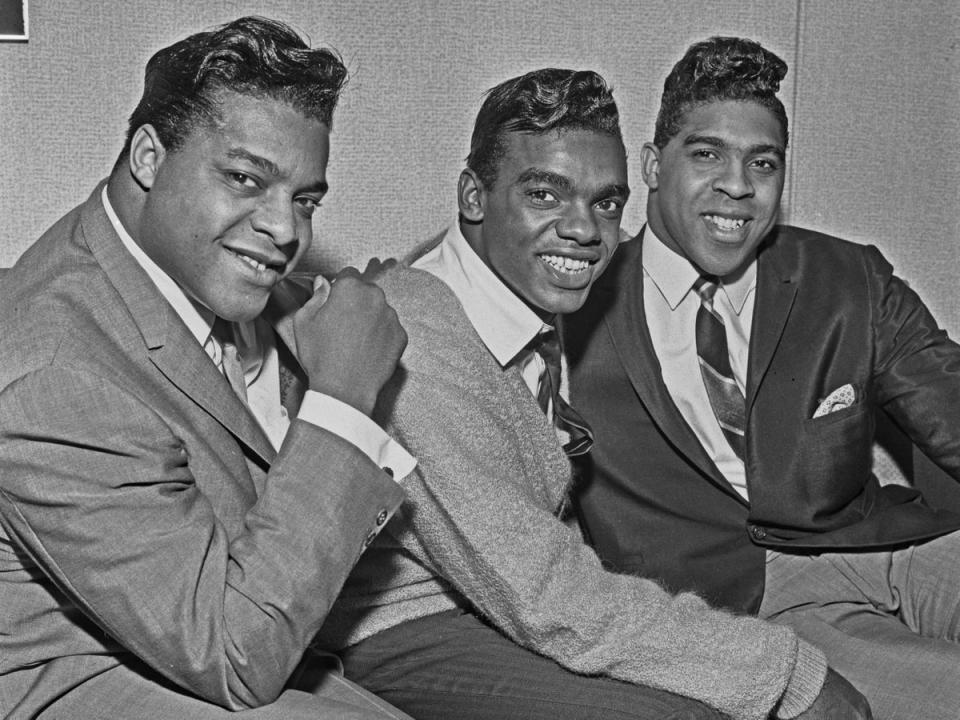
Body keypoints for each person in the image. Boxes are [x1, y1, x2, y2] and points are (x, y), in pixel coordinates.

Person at [313, 68, 870, 720]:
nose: (585, 230)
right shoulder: (420, 346)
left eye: (606, 202)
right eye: (546, 195)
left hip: (490, 597)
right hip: (401, 629)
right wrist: (786, 671)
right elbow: (546, 596)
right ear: (473, 195)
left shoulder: (509, 295)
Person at [0, 16, 416, 720]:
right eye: (246, 179)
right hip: (81, 681)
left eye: (305, 200)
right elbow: (235, 655)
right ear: (147, 157)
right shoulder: (57, 374)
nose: (286, 230)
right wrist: (343, 398)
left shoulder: (206, 281)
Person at [563, 35, 960, 720]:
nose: (739, 186)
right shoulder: (574, 305)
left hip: (889, 544)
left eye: (762, 162)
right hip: (746, 608)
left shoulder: (848, 279)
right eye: (708, 154)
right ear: (654, 166)